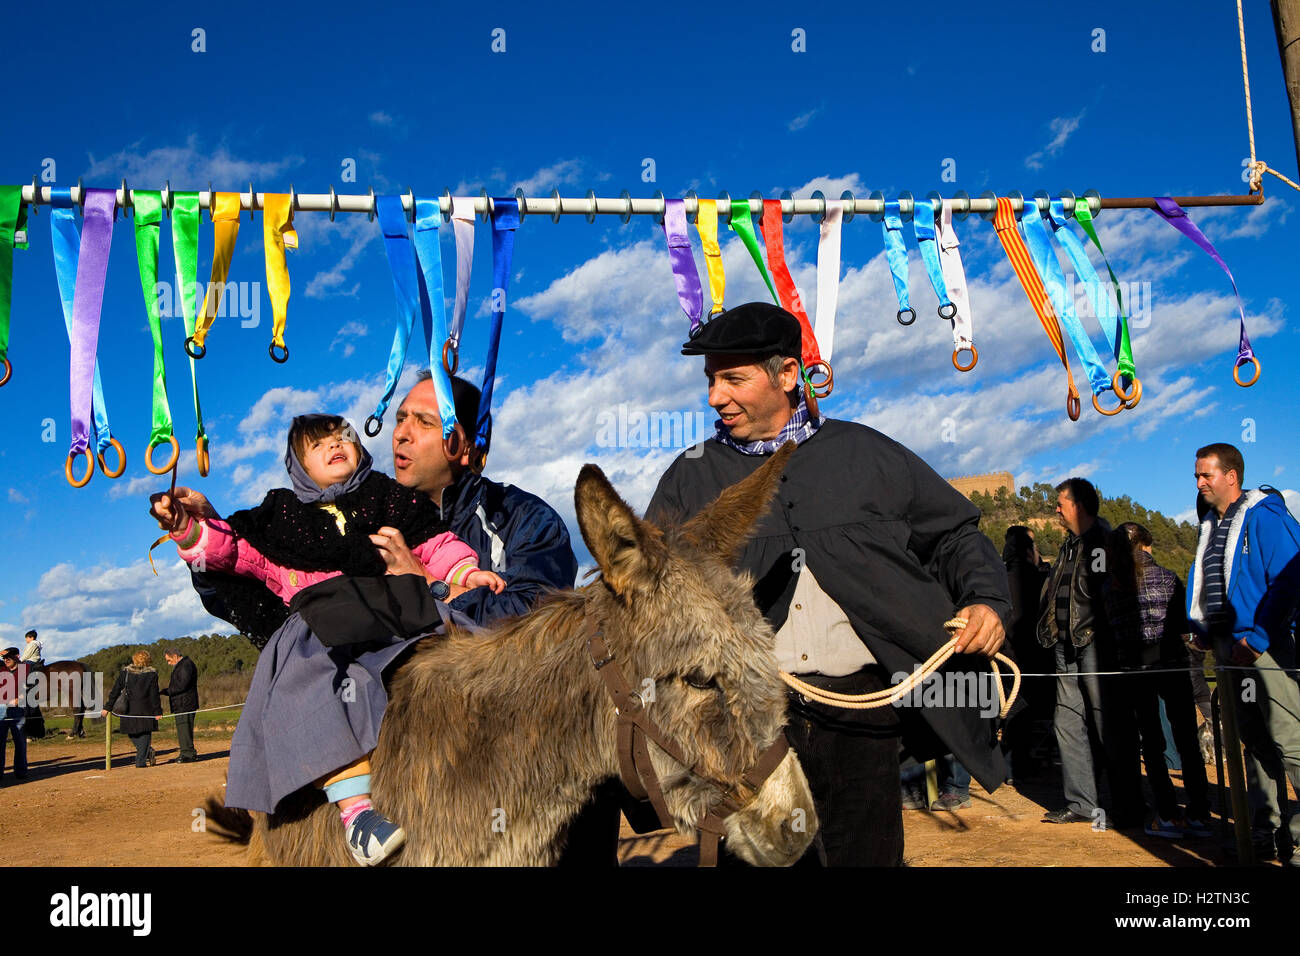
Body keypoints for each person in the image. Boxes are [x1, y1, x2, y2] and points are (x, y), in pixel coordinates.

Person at [645, 302, 1011, 866]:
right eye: (710, 380)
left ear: (787, 375)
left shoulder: (869, 454)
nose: (715, 396)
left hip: (864, 712)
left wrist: (986, 599)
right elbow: (650, 589)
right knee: (759, 861)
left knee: (865, 856)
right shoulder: (690, 476)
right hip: (751, 723)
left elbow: (956, 534)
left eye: (733, 378)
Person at [151, 413, 504, 867]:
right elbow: (234, 550)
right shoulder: (279, 518)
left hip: (397, 610)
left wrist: (467, 573)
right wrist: (185, 527)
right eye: (318, 446)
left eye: (343, 437)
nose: (335, 445)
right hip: (322, 624)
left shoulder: (387, 498)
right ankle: (357, 815)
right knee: (317, 688)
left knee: (466, 654)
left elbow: (435, 543)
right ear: (299, 467)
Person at [1187, 442, 1300, 862]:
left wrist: (1259, 638)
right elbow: (1207, 583)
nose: (1199, 483)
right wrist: (1201, 629)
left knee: (1291, 740)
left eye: (1206, 475)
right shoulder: (1209, 526)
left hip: (1263, 650)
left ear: (1231, 476)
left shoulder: (1264, 516)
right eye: (1197, 476)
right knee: (1254, 742)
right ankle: (1267, 830)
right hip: (1227, 650)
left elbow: (1289, 579)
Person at [1036, 478, 1143, 828]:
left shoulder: (1104, 543)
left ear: (1078, 505)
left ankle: (1128, 807)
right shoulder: (1069, 545)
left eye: (1060, 503)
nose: (1055, 508)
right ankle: (1081, 803)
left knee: (1107, 723)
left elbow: (1116, 593)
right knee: (1066, 722)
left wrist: (1105, 634)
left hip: (1097, 645)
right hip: (1064, 645)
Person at [1102, 522, 1212, 838]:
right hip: (1173, 665)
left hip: (1135, 671)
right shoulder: (1167, 578)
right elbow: (1183, 626)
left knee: (1151, 743)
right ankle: (1200, 814)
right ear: (1147, 545)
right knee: (1187, 740)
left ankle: (1166, 813)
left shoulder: (1110, 587)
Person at [1002, 526, 1053, 780]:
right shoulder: (1042, 578)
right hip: (1036, 653)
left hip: (1007, 655)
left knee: (1014, 710)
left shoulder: (998, 578)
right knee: (1032, 710)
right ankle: (1027, 764)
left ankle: (1014, 765)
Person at [101, 651, 163, 768]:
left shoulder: (151, 674)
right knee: (132, 733)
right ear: (147, 660)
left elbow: (154, 694)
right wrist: (107, 707)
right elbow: (116, 690)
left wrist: (157, 711)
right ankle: (147, 751)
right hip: (128, 708)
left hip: (145, 709)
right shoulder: (126, 673)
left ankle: (140, 762)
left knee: (144, 733)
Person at [161, 649, 200, 763]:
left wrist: (167, 691)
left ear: (175, 656)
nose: (168, 663)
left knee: (184, 729)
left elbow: (182, 685)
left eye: (169, 660)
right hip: (182, 703)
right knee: (183, 730)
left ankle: (188, 754)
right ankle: (186, 752)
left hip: (185, 703)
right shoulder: (184, 665)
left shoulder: (185, 665)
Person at [1, 649, 29, 782]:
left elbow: (32, 689)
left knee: (20, 741)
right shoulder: (2, 670)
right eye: (4, 658)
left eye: (8, 657)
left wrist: (19, 700)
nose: (6, 660)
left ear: (17, 656)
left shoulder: (26, 669)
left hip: (17, 710)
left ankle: (21, 771)